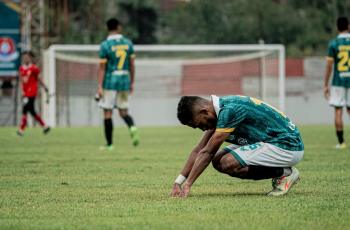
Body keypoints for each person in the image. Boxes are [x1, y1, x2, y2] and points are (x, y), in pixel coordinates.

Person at [171, 95, 304, 198]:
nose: (202, 129)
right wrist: (179, 182)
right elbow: (199, 149)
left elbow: (207, 152)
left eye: (199, 124)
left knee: (228, 161)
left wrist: (188, 185)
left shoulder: (229, 110)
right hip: (271, 142)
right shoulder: (219, 111)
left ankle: (285, 173)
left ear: (204, 112)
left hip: (287, 145)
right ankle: (283, 171)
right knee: (218, 161)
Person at [97, 18, 139, 150]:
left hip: (110, 81)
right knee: (123, 112)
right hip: (124, 80)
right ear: (119, 27)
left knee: (107, 113)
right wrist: (131, 82)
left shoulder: (105, 45)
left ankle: (110, 145)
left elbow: (102, 68)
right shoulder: (128, 43)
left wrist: (99, 86)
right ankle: (132, 127)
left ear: (107, 28)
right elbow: (132, 65)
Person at [324, 16, 350, 150]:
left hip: (338, 82)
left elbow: (329, 66)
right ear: (348, 26)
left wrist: (325, 84)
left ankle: (341, 142)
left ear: (337, 27)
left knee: (338, 111)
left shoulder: (334, 44)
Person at [17, 51, 50, 136]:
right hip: (25, 93)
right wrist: (22, 91)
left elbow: (38, 79)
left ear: (30, 58)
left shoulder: (34, 68)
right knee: (32, 111)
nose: (25, 59)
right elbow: (21, 81)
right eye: (24, 57)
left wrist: (45, 87)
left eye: (27, 57)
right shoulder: (21, 68)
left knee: (25, 110)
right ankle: (45, 126)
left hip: (32, 92)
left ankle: (21, 129)